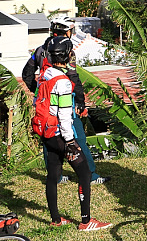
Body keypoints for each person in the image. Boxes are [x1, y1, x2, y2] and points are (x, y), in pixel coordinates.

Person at [22, 15, 110, 185]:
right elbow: (74, 78)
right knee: (78, 138)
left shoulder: (39, 50)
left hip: (45, 104)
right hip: (65, 100)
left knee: (49, 137)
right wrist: (80, 102)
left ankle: (55, 177)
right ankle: (90, 175)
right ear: (65, 33)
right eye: (70, 31)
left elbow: (27, 74)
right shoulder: (66, 52)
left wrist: (40, 93)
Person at [39, 36, 111, 231]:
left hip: (47, 133)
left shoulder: (45, 75)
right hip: (61, 135)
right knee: (85, 173)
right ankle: (86, 221)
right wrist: (70, 141)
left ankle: (56, 219)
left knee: (52, 175)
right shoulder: (62, 82)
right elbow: (64, 115)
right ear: (68, 55)